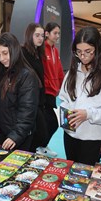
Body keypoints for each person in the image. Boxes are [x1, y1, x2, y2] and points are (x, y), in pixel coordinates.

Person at [59, 26, 101, 165]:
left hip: (92, 138)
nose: (83, 56)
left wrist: (88, 114)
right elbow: (63, 99)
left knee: (85, 177)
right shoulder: (72, 72)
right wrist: (66, 112)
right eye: (78, 52)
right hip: (70, 135)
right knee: (71, 173)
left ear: (97, 50)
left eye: (88, 51)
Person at [0, 32, 40, 151]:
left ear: (14, 50)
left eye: (5, 53)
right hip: (4, 132)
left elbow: (27, 111)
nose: (1, 59)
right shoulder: (2, 72)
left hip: (19, 136)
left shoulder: (27, 76)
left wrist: (15, 136)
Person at [21, 23, 49, 153]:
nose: (40, 38)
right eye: (37, 35)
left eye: (42, 36)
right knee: (38, 134)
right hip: (30, 101)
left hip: (39, 100)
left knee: (40, 133)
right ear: (29, 35)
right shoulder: (23, 53)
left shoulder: (38, 53)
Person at [42, 22, 65, 154]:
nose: (57, 36)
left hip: (53, 93)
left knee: (49, 123)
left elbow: (59, 71)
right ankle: (41, 146)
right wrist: (49, 85)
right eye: (55, 33)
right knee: (52, 123)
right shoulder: (42, 50)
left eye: (58, 33)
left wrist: (62, 86)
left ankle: (42, 145)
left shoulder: (55, 50)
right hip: (45, 93)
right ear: (47, 34)